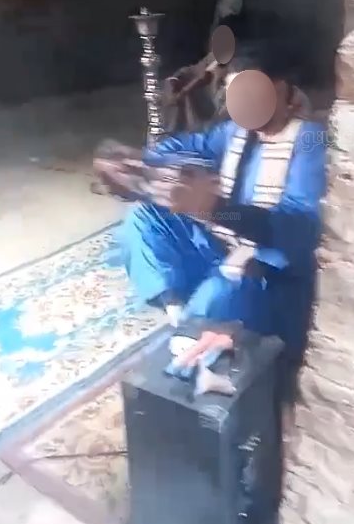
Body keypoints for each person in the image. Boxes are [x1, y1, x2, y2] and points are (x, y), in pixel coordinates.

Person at [118, 40, 327, 407]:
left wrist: (216, 209)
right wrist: (139, 163)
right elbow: (189, 146)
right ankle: (180, 316)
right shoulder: (233, 133)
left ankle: (200, 336)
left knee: (222, 288)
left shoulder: (310, 141)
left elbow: (295, 229)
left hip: (268, 272)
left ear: (281, 89)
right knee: (144, 218)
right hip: (221, 245)